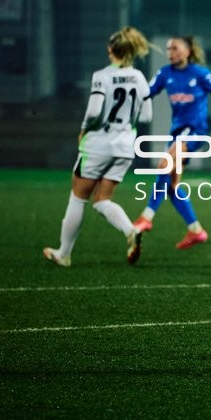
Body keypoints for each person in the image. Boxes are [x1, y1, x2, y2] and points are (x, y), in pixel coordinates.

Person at [44, 26, 153, 267]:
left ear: (110, 49)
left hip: (99, 144)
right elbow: (146, 117)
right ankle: (130, 230)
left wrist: (84, 128)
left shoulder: (102, 76)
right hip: (125, 146)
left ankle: (64, 253)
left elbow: (94, 111)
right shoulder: (139, 78)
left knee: (78, 198)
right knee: (102, 200)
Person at [132, 36, 211, 248]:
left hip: (196, 131)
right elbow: (147, 93)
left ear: (187, 51)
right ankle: (196, 230)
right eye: (168, 49)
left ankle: (146, 217)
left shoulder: (200, 73)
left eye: (174, 48)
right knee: (172, 185)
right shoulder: (165, 73)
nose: (170, 52)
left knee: (163, 165)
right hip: (177, 133)